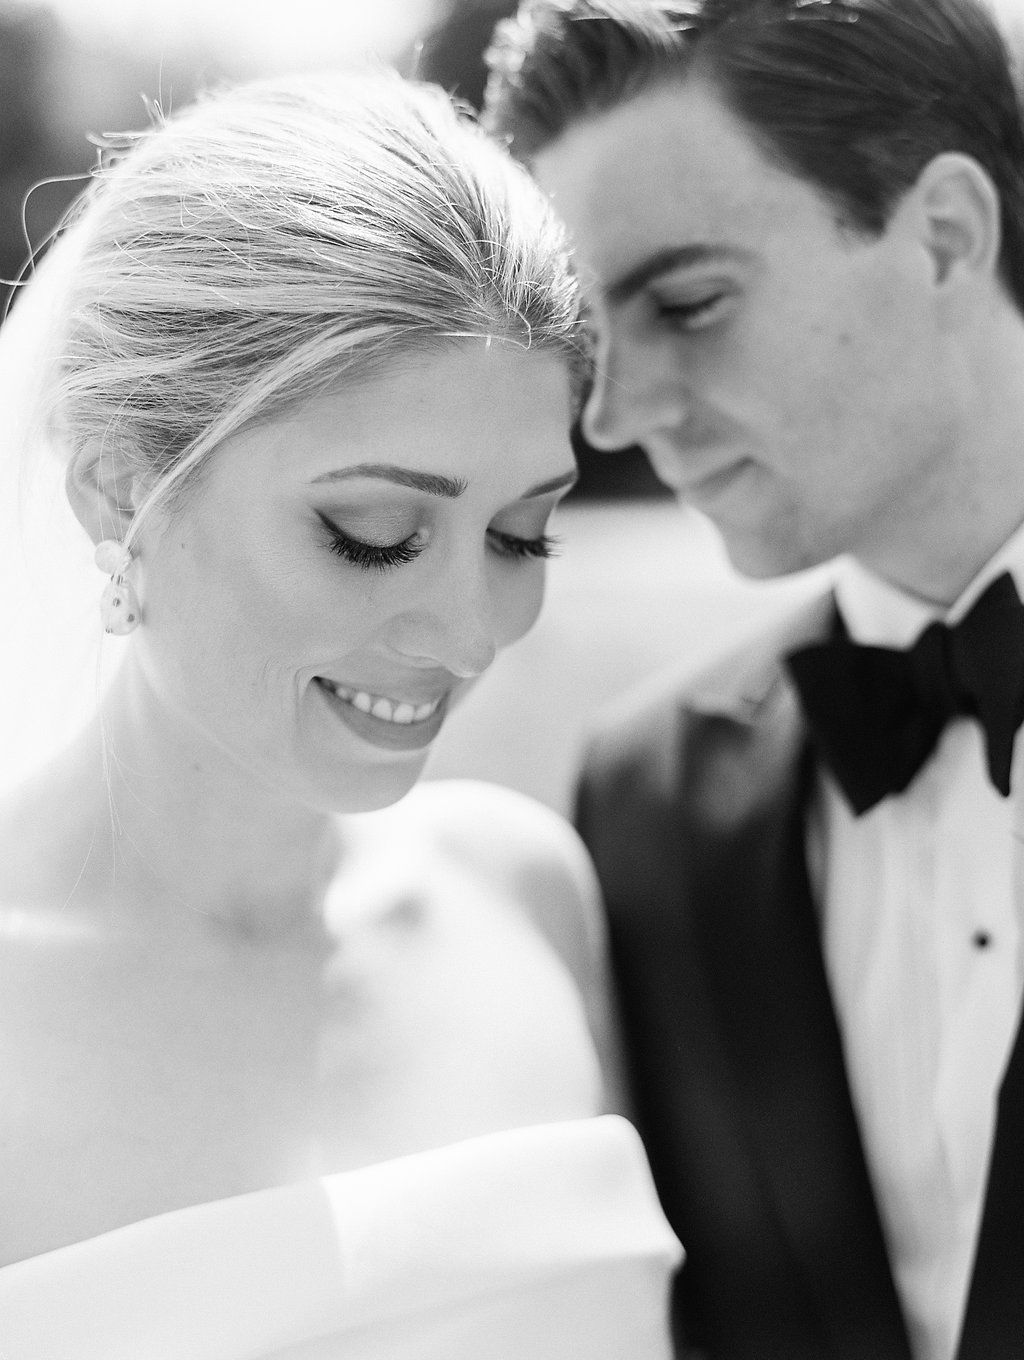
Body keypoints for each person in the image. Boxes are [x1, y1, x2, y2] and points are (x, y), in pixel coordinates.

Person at [0, 71, 682, 1358]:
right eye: (372, 534)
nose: (471, 633)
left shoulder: (527, 899)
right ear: (120, 485)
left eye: (521, 534)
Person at [483, 1, 1024, 1357]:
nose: (616, 414)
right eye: (596, 340)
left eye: (688, 304)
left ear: (944, 232)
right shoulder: (647, 797)